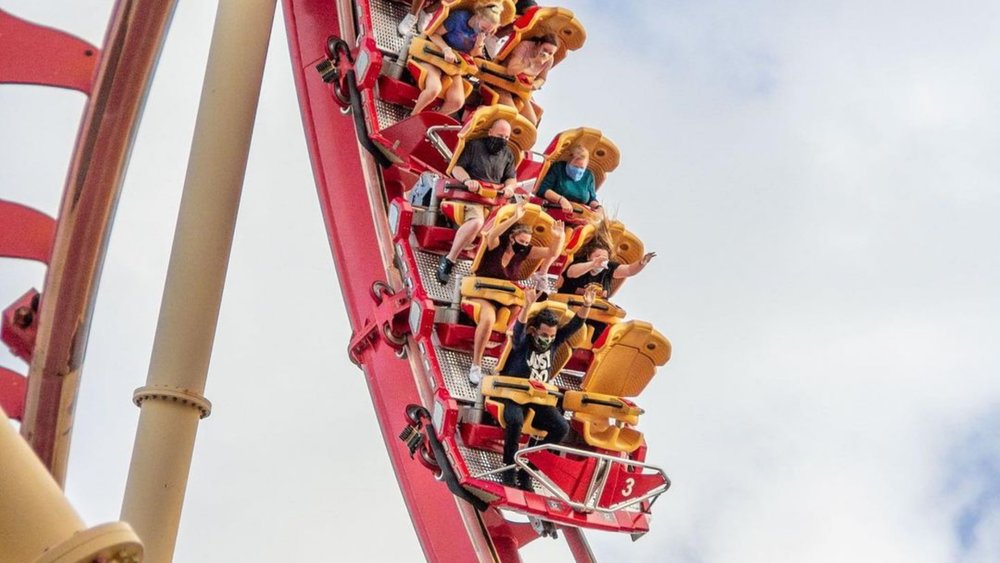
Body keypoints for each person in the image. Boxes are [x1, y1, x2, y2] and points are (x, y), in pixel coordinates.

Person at [494, 284, 596, 490]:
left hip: (538, 397)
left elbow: (574, 325)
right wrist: (528, 305)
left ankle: (528, 470)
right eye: (544, 335)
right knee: (515, 420)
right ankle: (508, 468)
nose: (547, 340)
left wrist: (586, 306)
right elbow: (518, 331)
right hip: (515, 393)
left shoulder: (554, 342)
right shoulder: (524, 342)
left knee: (561, 427)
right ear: (534, 331)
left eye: (551, 336)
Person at [465, 201, 565, 384]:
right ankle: (476, 365)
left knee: (519, 327)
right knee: (488, 319)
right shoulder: (497, 245)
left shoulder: (523, 253)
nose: (524, 246)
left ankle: (503, 368)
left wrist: (558, 238)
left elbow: (552, 253)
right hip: (482, 294)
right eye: (521, 242)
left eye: (527, 243)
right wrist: (514, 218)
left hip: (506, 298)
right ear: (512, 238)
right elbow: (491, 235)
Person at [436, 118, 518, 285]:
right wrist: (467, 181)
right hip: (471, 197)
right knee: (477, 222)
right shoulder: (475, 146)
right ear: (490, 133)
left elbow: (511, 178)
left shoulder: (507, 154)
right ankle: (449, 260)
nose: (503, 140)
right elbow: (457, 168)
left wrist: (509, 188)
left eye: (507, 138)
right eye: (500, 135)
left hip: (493, 201)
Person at [410, 2, 502, 115]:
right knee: (434, 89)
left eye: (488, 32)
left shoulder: (482, 34)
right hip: (435, 55)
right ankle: (412, 116)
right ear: (478, 16)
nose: (484, 32)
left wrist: (478, 44)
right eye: (483, 28)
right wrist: (446, 49)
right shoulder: (459, 18)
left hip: (454, 65)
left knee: (457, 101)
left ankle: (433, 119)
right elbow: (433, 34)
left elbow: (472, 54)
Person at [560, 237, 656, 298]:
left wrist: (642, 263)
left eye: (604, 258)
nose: (601, 260)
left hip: (597, 309)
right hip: (571, 303)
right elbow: (571, 272)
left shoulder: (609, 267)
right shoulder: (581, 264)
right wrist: (592, 264)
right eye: (597, 257)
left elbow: (629, 270)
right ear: (589, 257)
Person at [497, 34, 558, 125]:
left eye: (550, 53)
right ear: (538, 45)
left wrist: (534, 85)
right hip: (503, 83)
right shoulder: (525, 46)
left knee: (531, 122)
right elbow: (510, 70)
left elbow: (542, 78)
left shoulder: (549, 59)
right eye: (545, 50)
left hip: (521, 90)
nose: (546, 54)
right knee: (512, 112)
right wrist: (532, 62)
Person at [536, 144, 602, 216]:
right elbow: (543, 190)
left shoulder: (588, 176)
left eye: (582, 168)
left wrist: (598, 207)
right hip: (554, 211)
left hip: (579, 215)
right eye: (575, 166)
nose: (578, 170)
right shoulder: (558, 168)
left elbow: (592, 199)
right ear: (569, 161)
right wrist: (561, 200)